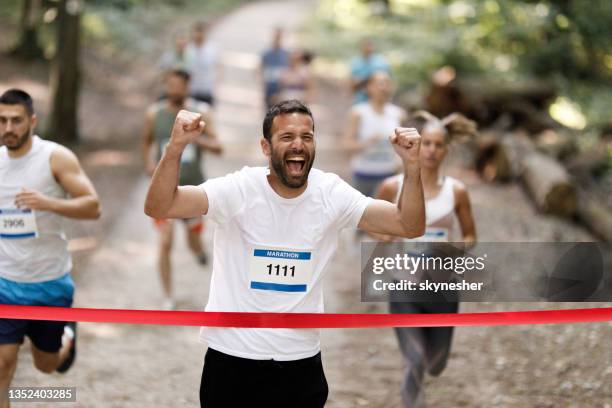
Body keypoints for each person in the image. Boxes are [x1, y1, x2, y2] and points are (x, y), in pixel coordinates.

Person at [144, 100, 426, 407]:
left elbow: (408, 224)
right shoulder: (239, 189)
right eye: (287, 137)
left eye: (307, 137)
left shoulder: (331, 193)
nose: (298, 145)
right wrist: (174, 148)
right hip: (231, 359)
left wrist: (412, 166)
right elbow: (160, 206)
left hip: (299, 362)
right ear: (266, 147)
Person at [0, 89, 101, 406]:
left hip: (48, 282)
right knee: (2, 365)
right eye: (2, 120)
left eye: (16, 120)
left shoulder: (54, 157)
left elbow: (92, 206)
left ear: (32, 120)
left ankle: (67, 335)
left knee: (47, 366)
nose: (8, 128)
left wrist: (47, 203)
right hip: (6, 282)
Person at [373, 110, 477, 407]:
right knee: (415, 360)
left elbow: (470, 235)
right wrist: (386, 235)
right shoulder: (392, 186)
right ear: (418, 146)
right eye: (426, 143)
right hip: (403, 286)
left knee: (436, 364)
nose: (431, 150)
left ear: (447, 149)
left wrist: (456, 247)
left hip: (443, 288)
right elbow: (374, 227)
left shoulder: (457, 191)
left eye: (437, 144)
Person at [142, 69, 223, 310]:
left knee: (192, 240)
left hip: (193, 189)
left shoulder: (201, 114)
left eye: (180, 85)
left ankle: (199, 252)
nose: (175, 89)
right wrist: (147, 162)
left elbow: (218, 147)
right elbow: (145, 140)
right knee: (165, 241)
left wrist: (194, 139)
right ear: (165, 85)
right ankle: (168, 295)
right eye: (171, 84)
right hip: (164, 189)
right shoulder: (154, 114)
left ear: (188, 87)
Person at [343, 71, 407, 197]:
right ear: (368, 87)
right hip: (363, 176)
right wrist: (368, 143)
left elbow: (404, 147)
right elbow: (346, 145)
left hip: (390, 176)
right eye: (379, 83)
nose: (383, 87)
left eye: (387, 83)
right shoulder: (358, 113)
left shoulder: (398, 114)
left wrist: (401, 164)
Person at [185, 21, 219, 106]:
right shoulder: (188, 49)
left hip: (207, 90)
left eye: (201, 32)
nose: (198, 35)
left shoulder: (212, 49)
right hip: (191, 91)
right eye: (196, 32)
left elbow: (218, 68)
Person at [349, 38, 390, 105]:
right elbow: (351, 84)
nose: (368, 48)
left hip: (378, 98)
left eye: (370, 45)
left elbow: (387, 80)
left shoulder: (381, 62)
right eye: (365, 46)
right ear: (361, 47)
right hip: (361, 98)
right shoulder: (356, 63)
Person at [260, 27, 289, 109]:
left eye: (279, 37)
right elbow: (261, 68)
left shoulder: (286, 54)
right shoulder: (266, 53)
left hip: (282, 88)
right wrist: (262, 83)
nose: (277, 39)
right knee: (269, 112)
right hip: (269, 86)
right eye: (275, 36)